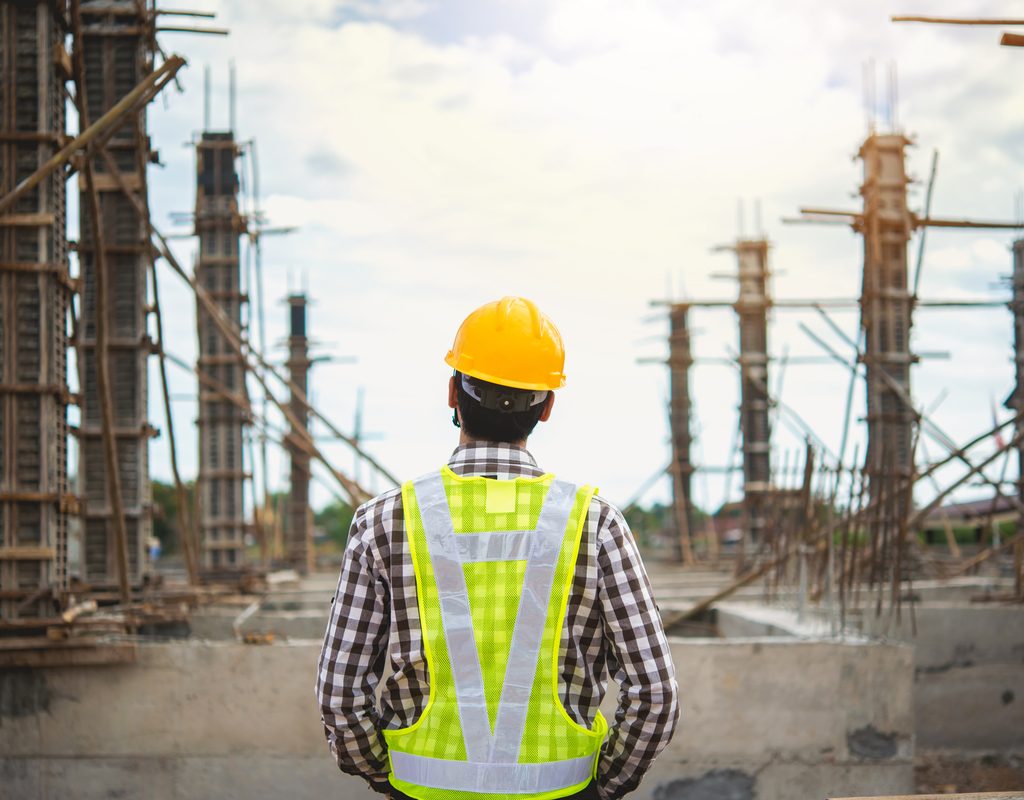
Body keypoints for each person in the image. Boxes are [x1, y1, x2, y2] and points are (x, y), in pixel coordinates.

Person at [317, 296, 678, 800]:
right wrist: (601, 786)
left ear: (452, 394)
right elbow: (655, 694)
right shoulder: (596, 525)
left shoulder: (383, 521)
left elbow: (340, 698)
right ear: (548, 406)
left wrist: (388, 775)